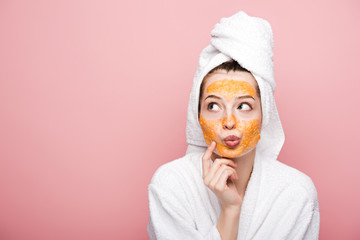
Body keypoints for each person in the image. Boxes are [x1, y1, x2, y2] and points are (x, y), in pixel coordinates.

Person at [147, 11, 320, 240]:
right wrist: (230, 211)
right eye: (214, 106)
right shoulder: (171, 184)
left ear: (264, 114)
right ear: (197, 115)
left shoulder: (295, 193)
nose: (229, 122)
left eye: (244, 106)